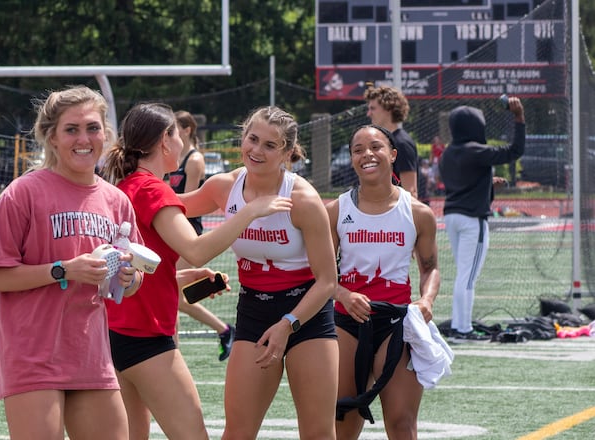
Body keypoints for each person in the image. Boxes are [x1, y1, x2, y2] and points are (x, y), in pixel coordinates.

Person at [102, 103, 293, 440]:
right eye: (178, 134)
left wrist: (177, 279)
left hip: (116, 333)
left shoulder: (129, 185)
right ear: (165, 140)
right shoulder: (151, 188)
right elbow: (196, 249)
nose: (185, 143)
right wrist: (250, 212)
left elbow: (134, 267)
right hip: (144, 337)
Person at [0, 86, 144, 440]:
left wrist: (128, 278)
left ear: (105, 134)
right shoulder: (22, 194)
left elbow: (131, 286)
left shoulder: (116, 201)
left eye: (92, 128)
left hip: (91, 355)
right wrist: (64, 270)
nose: (83, 139)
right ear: (51, 137)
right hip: (33, 356)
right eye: (71, 129)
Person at [179, 106, 340, 440]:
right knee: (237, 432)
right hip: (253, 311)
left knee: (318, 433)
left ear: (287, 152)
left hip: (305, 315)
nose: (256, 150)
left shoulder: (302, 199)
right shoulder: (224, 187)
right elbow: (168, 206)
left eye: (270, 145)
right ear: (243, 137)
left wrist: (288, 324)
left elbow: (328, 281)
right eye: (252, 139)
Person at [325, 124, 440, 439]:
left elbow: (430, 268)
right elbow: (318, 272)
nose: (367, 155)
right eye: (358, 149)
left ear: (392, 154)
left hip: (397, 323)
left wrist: (426, 300)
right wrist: (343, 294)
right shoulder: (337, 210)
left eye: (375, 146)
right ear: (352, 160)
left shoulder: (418, 213)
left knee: (402, 424)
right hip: (347, 321)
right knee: (342, 419)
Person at [440, 98, 525, 342]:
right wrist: (519, 117)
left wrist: (489, 182)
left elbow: (467, 181)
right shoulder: (476, 151)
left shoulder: (448, 154)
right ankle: (463, 329)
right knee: (467, 277)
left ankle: (459, 325)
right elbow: (514, 151)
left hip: (452, 217)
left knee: (463, 275)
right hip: (471, 220)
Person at [168, 110, 235, 361]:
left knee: (172, 290)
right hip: (172, 226)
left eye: (174, 128)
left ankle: (174, 350)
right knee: (173, 292)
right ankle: (223, 330)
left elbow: (188, 201)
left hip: (187, 228)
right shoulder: (174, 158)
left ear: (186, 130)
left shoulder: (194, 160)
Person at [364, 86, 419, 198]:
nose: (368, 114)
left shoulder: (402, 143)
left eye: (373, 108)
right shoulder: (385, 141)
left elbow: (411, 191)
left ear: (388, 108)